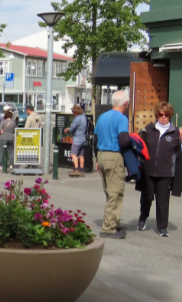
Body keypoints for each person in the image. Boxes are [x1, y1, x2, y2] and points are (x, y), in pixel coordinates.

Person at [137, 101, 182, 237]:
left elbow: (178, 155)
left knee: (163, 201)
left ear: (170, 115)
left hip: (166, 172)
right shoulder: (148, 130)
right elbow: (139, 148)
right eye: (161, 114)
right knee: (147, 197)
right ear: (157, 115)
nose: (163, 117)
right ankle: (142, 218)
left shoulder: (175, 133)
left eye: (166, 115)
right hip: (148, 171)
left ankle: (162, 227)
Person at [94, 89, 132, 239]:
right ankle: (109, 227)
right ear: (126, 104)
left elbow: (95, 140)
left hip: (102, 155)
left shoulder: (102, 116)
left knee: (109, 191)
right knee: (115, 193)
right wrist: (133, 140)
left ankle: (113, 221)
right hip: (114, 155)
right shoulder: (122, 118)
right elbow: (123, 140)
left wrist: (97, 159)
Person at [68, 105, 88, 177]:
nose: (72, 112)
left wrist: (67, 129)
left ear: (75, 112)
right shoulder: (84, 117)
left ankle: (76, 169)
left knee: (73, 154)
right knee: (81, 155)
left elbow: (72, 129)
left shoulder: (77, 119)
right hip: (83, 139)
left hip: (77, 139)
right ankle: (82, 170)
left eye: (73, 111)